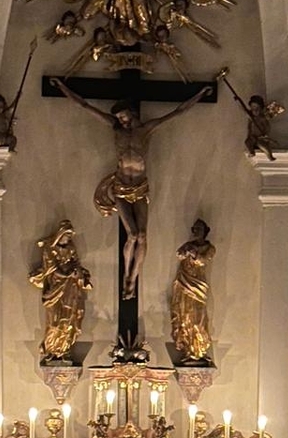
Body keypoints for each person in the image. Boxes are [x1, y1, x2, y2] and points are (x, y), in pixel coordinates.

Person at [49, 75, 209, 300]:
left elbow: (178, 112)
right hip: (121, 187)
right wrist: (62, 87)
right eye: (118, 118)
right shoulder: (116, 129)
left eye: (123, 116)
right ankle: (127, 275)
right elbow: (85, 105)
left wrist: (200, 94)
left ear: (131, 112)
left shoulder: (146, 129)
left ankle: (133, 278)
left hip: (140, 188)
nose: (121, 120)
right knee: (132, 235)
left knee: (142, 235)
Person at [30, 219, 93, 362]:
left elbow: (76, 263)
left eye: (70, 236)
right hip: (55, 290)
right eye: (67, 235)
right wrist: (67, 273)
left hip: (70, 289)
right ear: (60, 234)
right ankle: (51, 349)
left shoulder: (71, 248)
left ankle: (64, 349)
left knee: (69, 320)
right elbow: (52, 268)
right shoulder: (49, 249)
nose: (68, 239)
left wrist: (76, 273)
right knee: (54, 322)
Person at [170, 218, 216, 361]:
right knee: (185, 316)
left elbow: (203, 261)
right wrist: (187, 251)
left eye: (199, 229)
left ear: (205, 232)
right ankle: (188, 350)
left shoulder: (209, 248)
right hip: (184, 284)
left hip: (198, 286)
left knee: (199, 318)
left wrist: (193, 253)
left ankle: (200, 349)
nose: (196, 232)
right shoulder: (188, 245)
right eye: (194, 229)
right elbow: (179, 255)